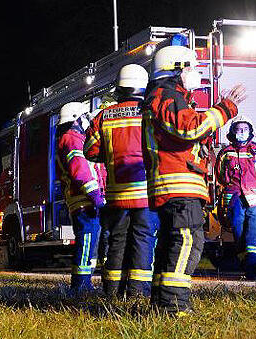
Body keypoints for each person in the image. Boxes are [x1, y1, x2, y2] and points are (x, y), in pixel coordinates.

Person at [142, 45, 245, 314]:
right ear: (177, 69)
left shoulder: (165, 96)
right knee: (187, 240)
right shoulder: (167, 95)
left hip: (173, 184)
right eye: (190, 68)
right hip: (178, 184)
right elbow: (190, 128)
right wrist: (223, 110)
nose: (194, 73)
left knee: (171, 243)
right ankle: (174, 306)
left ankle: (162, 303)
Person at [85, 64, 159, 298]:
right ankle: (138, 291)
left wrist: (110, 155)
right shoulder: (151, 111)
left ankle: (112, 290)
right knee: (142, 240)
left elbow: (90, 151)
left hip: (117, 194)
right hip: (146, 192)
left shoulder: (104, 116)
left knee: (117, 240)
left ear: (119, 87)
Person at [214, 117, 256, 279]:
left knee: (254, 228)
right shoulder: (225, 153)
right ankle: (246, 262)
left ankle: (254, 262)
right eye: (238, 129)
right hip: (234, 199)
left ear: (250, 131)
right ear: (232, 132)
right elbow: (221, 177)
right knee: (238, 229)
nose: (241, 133)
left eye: (244, 129)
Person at [57, 101, 107, 293]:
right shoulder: (72, 138)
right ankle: (80, 286)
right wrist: (95, 195)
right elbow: (80, 169)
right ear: (77, 118)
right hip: (84, 201)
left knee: (93, 244)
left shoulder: (74, 137)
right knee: (86, 242)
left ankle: (88, 284)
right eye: (84, 117)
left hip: (85, 200)